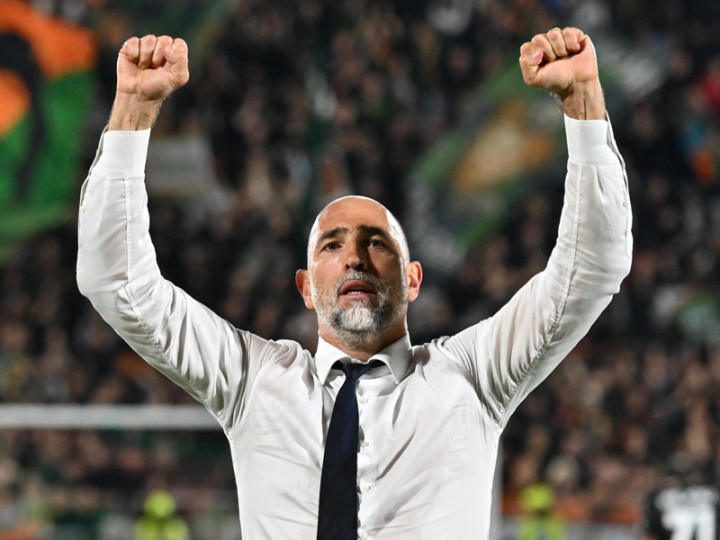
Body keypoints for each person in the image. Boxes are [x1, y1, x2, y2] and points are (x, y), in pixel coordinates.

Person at [77, 26, 632, 539]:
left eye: (377, 243)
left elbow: (591, 270)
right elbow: (117, 282)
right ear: (304, 287)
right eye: (332, 245)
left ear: (412, 280)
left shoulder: (471, 376)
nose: (354, 258)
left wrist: (583, 103)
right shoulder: (253, 381)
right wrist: (132, 113)